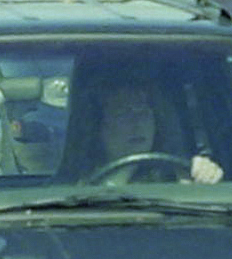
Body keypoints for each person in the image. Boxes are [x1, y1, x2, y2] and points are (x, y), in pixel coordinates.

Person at [66, 78, 223, 183]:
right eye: (122, 113)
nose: (137, 122)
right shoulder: (74, 186)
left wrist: (204, 176)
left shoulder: (176, 175)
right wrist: (124, 171)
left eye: (144, 112)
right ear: (98, 127)